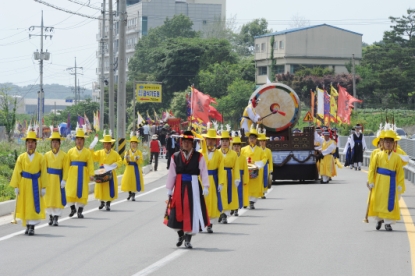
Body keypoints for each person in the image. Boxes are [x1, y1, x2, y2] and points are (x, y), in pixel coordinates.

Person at [165, 130, 210, 249]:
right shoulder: (175, 156)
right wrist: (169, 189)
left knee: (192, 212)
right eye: (184, 142)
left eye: (189, 142)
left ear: (192, 143)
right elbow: (172, 174)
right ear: (181, 143)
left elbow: (204, 171)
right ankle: (181, 235)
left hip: (193, 186)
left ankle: (188, 239)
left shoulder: (198, 156)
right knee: (176, 212)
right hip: (179, 186)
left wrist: (206, 186)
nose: (186, 144)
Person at [9, 130, 48, 235]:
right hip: (24, 184)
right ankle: (27, 225)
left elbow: (44, 172)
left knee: (34, 205)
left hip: (36, 182)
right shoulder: (21, 157)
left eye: (32, 142)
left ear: (35, 144)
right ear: (26, 144)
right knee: (26, 204)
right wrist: (16, 186)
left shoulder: (41, 157)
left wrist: (44, 187)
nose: (30, 144)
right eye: (28, 142)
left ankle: (32, 227)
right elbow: (17, 171)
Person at [367, 130, 405, 231]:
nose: (388, 144)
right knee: (379, 200)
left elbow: (400, 172)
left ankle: (388, 223)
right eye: (386, 142)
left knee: (390, 201)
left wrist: (400, 184)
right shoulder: (377, 155)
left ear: (393, 144)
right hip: (379, 181)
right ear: (382, 143)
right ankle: (379, 220)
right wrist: (371, 181)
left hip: (391, 181)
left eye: (390, 142)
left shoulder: (397, 157)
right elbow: (372, 169)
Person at [192, 124, 225, 233]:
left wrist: (221, 182)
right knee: (201, 201)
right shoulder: (200, 153)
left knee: (212, 201)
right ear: (205, 140)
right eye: (208, 140)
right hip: (201, 180)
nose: (210, 142)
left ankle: (210, 223)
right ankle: (201, 222)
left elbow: (221, 169)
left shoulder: (219, 154)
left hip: (213, 180)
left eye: (212, 140)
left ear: (215, 141)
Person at [65, 128, 95, 218]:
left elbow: (90, 164)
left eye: (81, 139)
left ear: (84, 140)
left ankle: (80, 211)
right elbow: (66, 164)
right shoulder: (70, 151)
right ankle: (73, 208)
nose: (79, 141)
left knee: (82, 192)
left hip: (83, 174)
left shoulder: (87, 152)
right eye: (78, 139)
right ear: (75, 140)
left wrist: (91, 174)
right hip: (72, 175)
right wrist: (64, 176)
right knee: (70, 192)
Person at [90, 132, 123, 211]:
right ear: (103, 144)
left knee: (109, 188)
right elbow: (93, 157)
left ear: (111, 144)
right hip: (101, 172)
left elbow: (120, 161)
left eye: (108, 143)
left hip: (110, 173)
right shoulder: (100, 152)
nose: (107, 145)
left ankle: (108, 203)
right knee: (101, 186)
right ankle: (101, 201)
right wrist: (91, 148)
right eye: (105, 144)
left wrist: (114, 165)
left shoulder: (115, 153)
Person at [44, 130, 68, 227]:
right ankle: (50, 216)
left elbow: (66, 169)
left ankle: (56, 218)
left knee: (57, 198)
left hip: (58, 178)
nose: (54, 144)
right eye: (53, 142)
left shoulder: (64, 155)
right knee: (49, 198)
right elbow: (44, 169)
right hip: (49, 179)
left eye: (56, 142)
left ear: (59, 143)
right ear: (51, 143)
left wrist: (64, 179)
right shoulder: (46, 155)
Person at [241, 125, 267, 209]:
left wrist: (257, 164)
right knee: (246, 185)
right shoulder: (243, 149)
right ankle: (246, 201)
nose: (252, 139)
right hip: (246, 170)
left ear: (256, 140)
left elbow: (264, 158)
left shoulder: (260, 150)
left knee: (255, 185)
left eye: (253, 138)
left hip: (255, 170)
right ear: (248, 139)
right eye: (250, 138)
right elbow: (240, 158)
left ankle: (252, 201)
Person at [218, 126, 240, 223]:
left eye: (227, 141)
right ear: (220, 142)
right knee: (220, 195)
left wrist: (237, 178)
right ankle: (220, 213)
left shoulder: (233, 154)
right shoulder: (217, 153)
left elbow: (236, 167)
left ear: (229, 142)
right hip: (219, 176)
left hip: (229, 175)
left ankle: (224, 215)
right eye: (223, 141)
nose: (225, 143)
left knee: (228, 194)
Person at [121, 132, 144, 201]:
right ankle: (130, 193)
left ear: (136, 144)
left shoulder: (139, 152)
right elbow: (124, 161)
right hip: (129, 168)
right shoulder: (127, 152)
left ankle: (133, 195)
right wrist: (127, 159)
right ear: (130, 144)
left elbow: (141, 161)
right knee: (128, 181)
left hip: (135, 167)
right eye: (132, 143)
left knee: (135, 181)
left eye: (135, 143)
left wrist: (138, 159)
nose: (133, 145)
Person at [231, 131, 249, 215]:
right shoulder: (230, 156)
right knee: (231, 192)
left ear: (240, 147)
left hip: (240, 176)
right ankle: (231, 207)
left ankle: (236, 208)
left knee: (238, 192)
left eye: (238, 146)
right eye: (235, 146)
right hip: (231, 175)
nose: (236, 147)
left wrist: (245, 180)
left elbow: (245, 169)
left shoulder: (243, 157)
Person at [258, 130, 273, 198]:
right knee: (259, 179)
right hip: (259, 166)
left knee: (265, 178)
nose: (262, 142)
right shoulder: (257, 150)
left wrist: (270, 169)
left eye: (263, 141)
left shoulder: (268, 150)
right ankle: (260, 192)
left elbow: (270, 160)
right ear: (259, 142)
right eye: (261, 141)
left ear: (265, 142)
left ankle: (264, 192)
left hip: (266, 165)